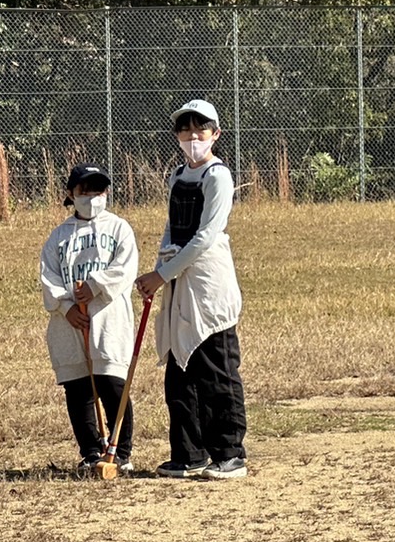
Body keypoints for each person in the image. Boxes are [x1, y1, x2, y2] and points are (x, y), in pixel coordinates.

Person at [134, 99, 248, 479]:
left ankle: (229, 452)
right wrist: (156, 271)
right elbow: (172, 229)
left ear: (215, 134)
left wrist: (162, 275)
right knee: (180, 368)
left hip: (207, 280)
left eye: (201, 129)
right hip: (176, 278)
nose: (192, 136)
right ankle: (189, 451)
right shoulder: (177, 175)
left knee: (216, 369)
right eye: (185, 130)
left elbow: (203, 238)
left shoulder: (218, 176)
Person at [39, 163, 140, 473]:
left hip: (108, 318)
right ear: (71, 194)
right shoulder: (58, 237)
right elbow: (48, 276)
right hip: (70, 323)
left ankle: (119, 451)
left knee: (111, 383)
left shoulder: (119, 228)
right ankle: (91, 451)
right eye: (85, 190)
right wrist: (65, 307)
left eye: (98, 190)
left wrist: (95, 286)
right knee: (79, 387)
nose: (93, 196)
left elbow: (125, 268)